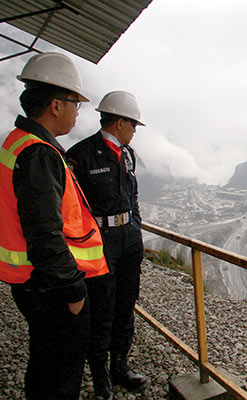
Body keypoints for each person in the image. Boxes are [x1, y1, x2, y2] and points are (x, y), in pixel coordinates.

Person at [0, 52, 110, 399]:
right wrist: (74, 292)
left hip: (35, 284)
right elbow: (45, 234)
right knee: (60, 376)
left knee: (45, 366)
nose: (78, 113)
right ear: (55, 106)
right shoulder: (39, 154)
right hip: (50, 287)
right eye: (75, 104)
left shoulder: (18, 142)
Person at [67, 91, 147, 399]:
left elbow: (133, 195)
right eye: (133, 125)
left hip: (127, 238)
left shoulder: (127, 154)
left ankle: (120, 368)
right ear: (119, 123)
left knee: (126, 305)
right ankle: (100, 379)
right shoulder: (81, 155)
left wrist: (135, 228)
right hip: (99, 243)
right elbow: (72, 207)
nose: (135, 131)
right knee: (102, 309)